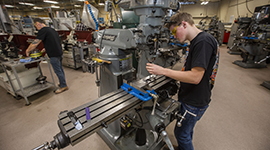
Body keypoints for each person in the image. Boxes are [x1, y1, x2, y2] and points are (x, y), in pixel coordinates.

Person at [146, 12, 219, 150]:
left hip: (194, 101)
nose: (173, 36)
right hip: (195, 97)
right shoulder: (199, 41)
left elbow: (195, 77)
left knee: (181, 135)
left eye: (174, 31)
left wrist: (163, 71)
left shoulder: (202, 42)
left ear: (184, 24)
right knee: (187, 130)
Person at [26, 18, 68, 94]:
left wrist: (27, 50)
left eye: (36, 26)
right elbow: (54, 41)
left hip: (53, 55)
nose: (36, 28)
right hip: (59, 53)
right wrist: (45, 48)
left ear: (38, 24)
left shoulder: (43, 30)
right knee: (60, 69)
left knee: (58, 71)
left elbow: (35, 43)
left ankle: (63, 86)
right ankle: (62, 82)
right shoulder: (52, 30)